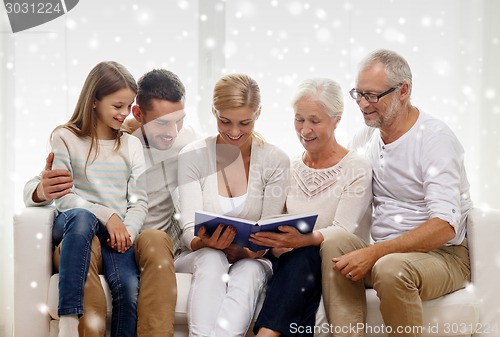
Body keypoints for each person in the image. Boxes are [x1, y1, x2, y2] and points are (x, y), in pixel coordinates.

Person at [24, 68, 198, 337]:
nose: (172, 132)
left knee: (154, 240)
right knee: (86, 235)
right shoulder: (89, 137)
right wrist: (41, 190)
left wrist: (126, 233)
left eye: (179, 121)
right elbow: (43, 187)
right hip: (89, 233)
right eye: (162, 123)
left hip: (134, 237)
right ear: (139, 115)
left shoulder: (186, 144)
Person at [321, 49, 472, 337]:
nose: (363, 105)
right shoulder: (365, 138)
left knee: (391, 268)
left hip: (443, 255)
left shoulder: (434, 140)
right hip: (386, 253)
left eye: (373, 96)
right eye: (359, 94)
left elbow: (444, 226)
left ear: (403, 91)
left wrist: (375, 252)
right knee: (334, 245)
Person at [248, 78, 373, 337]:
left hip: (331, 261)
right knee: (298, 259)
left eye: (314, 121)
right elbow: (274, 219)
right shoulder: (289, 167)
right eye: (299, 119)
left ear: (336, 119)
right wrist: (272, 241)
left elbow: (342, 230)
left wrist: (302, 240)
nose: (305, 130)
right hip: (287, 261)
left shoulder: (355, 167)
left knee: (306, 255)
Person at [175, 73, 290, 337]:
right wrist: (208, 243)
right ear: (213, 111)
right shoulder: (193, 156)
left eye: (245, 122)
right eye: (224, 121)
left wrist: (252, 252)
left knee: (249, 270)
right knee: (213, 258)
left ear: (258, 113)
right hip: (198, 254)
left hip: (251, 258)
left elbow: (268, 231)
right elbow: (188, 231)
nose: (234, 132)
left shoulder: (275, 160)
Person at [48, 61, 147, 337]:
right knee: (82, 218)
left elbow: (139, 201)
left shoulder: (131, 145)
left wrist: (126, 231)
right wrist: (107, 215)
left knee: (127, 291)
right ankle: (69, 321)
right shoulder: (65, 137)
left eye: (128, 106)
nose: (124, 114)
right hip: (74, 224)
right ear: (94, 100)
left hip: (115, 234)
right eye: (117, 106)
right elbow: (63, 197)